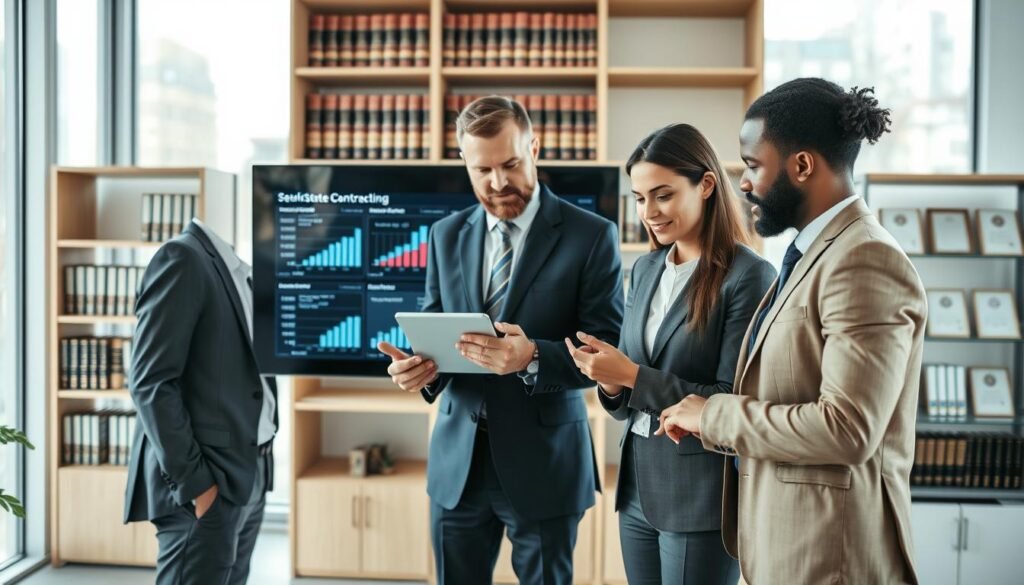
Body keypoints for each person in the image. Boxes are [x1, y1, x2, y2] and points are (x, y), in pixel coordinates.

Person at [657, 78, 926, 584]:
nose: (742, 182)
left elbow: (847, 429)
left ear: (802, 166)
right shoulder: (814, 253)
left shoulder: (864, 260)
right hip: (790, 544)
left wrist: (712, 414)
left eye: (753, 166)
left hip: (831, 556)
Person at [377, 95, 623, 585]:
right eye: (481, 169)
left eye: (510, 164)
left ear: (535, 146)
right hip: (458, 466)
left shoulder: (592, 235)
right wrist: (418, 370)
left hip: (545, 466)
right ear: (464, 163)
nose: (497, 182)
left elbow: (608, 350)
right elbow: (432, 325)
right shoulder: (445, 234)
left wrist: (532, 356)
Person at [565, 123, 774, 585]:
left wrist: (634, 376)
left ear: (705, 185)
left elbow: (728, 398)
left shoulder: (748, 277)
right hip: (636, 485)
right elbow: (627, 396)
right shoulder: (644, 268)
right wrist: (612, 383)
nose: (649, 213)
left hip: (698, 495)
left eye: (662, 195)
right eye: (639, 199)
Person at [124, 220, 278, 585]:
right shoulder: (182, 259)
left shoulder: (239, 275)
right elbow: (150, 382)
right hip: (209, 480)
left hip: (249, 471)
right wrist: (197, 485)